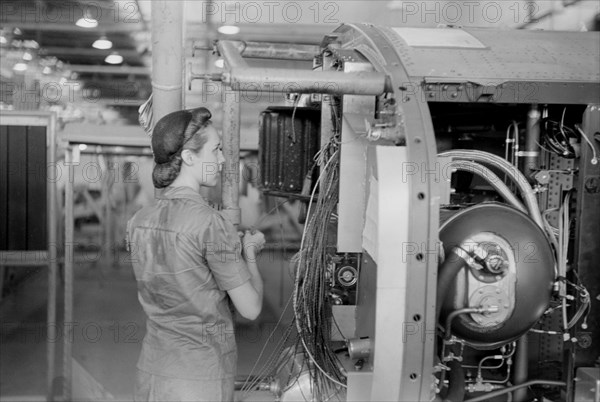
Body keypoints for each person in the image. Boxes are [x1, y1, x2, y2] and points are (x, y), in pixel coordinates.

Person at [127, 107, 265, 402]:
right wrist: (249, 254)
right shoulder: (210, 223)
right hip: (199, 378)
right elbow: (250, 308)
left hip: (152, 372)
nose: (224, 159)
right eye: (216, 150)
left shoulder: (138, 220)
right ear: (189, 158)